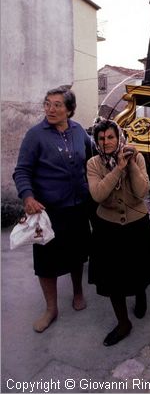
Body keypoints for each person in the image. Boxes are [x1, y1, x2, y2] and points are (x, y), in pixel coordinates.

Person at [13, 86, 93, 333]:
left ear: (69, 109)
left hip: (78, 206)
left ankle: (78, 292)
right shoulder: (35, 134)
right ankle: (51, 309)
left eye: (58, 104)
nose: (51, 109)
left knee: (77, 254)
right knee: (46, 261)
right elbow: (22, 170)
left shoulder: (79, 131)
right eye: (47, 103)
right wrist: (27, 196)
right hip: (48, 210)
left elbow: (93, 159)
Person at [86, 118, 150, 346]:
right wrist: (118, 168)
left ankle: (141, 294)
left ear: (119, 137)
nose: (106, 141)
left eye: (110, 137)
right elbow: (98, 195)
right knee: (111, 279)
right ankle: (123, 323)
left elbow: (142, 192)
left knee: (139, 271)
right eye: (101, 138)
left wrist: (129, 165)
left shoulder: (136, 157)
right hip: (107, 227)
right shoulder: (93, 164)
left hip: (136, 224)